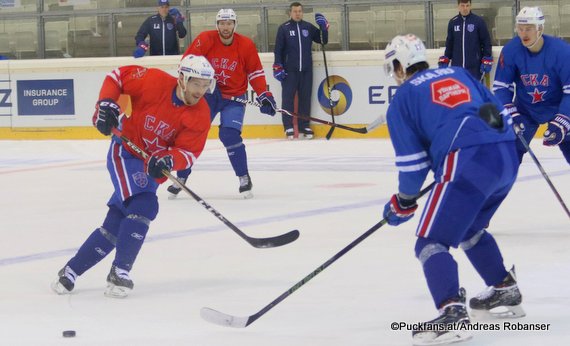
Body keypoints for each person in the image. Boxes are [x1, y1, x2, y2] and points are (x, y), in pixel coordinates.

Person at [382, 34, 524, 345]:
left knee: (430, 242)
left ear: (399, 66)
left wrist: (402, 202)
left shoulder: (403, 99)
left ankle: (451, 313)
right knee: (468, 227)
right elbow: (492, 108)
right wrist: (485, 141)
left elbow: (413, 167)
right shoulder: (459, 73)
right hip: (506, 154)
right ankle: (503, 288)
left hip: (468, 160)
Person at [51, 55, 216, 298]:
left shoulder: (201, 113)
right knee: (144, 205)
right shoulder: (153, 81)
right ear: (182, 78)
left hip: (149, 167)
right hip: (125, 153)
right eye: (196, 84)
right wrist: (106, 105)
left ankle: (70, 271)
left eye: (205, 85)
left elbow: (189, 152)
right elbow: (117, 76)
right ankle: (120, 271)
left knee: (116, 225)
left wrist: (170, 159)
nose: (201, 90)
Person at [168, 8, 277, 199]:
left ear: (235, 25)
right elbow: (187, 62)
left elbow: (255, 73)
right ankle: (181, 177)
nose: (225, 27)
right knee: (192, 132)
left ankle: (243, 177)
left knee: (229, 134)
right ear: (217, 25)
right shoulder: (206, 39)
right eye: (222, 23)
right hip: (208, 95)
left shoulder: (246, 45)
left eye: (229, 23)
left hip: (234, 96)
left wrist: (264, 95)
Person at [493, 6, 570, 165]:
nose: (524, 33)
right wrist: (511, 113)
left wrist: (563, 120)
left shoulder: (561, 51)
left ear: (540, 28)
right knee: (506, 161)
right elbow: (501, 87)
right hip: (525, 110)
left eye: (528, 29)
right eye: (520, 29)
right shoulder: (511, 50)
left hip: (559, 107)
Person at [273, 2, 328, 139]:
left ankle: (304, 125)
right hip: (289, 70)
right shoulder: (284, 28)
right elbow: (278, 49)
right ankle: (288, 127)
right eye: (295, 11)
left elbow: (322, 40)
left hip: (306, 70)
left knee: (305, 98)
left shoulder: (308, 27)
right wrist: (277, 66)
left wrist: (324, 28)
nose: (298, 13)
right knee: (288, 99)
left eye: (300, 11)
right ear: (290, 13)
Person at [438, 0, 493, 81]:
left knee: (474, 92)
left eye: (467, 5)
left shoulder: (478, 21)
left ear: (471, 6)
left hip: (475, 67)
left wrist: (487, 57)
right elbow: (450, 43)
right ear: (458, 6)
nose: (465, 8)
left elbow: (486, 41)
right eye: (462, 6)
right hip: (457, 67)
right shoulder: (453, 22)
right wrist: (446, 58)